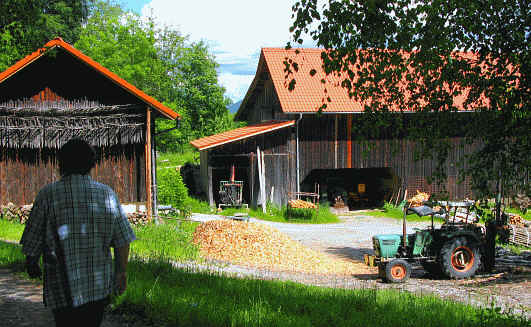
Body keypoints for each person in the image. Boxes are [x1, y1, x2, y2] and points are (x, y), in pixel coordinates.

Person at [20, 138, 136, 327]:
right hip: (97, 287)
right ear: (92, 164)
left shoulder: (47, 195)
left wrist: (32, 262)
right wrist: (121, 272)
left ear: (61, 164)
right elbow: (123, 240)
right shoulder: (107, 195)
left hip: (61, 286)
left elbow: (33, 238)